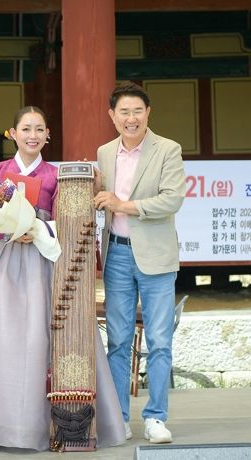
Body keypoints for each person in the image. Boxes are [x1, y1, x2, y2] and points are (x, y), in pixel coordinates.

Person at [0, 106, 125, 451]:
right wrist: (7, 230)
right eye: (26, 129)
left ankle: (42, 425)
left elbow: (69, 219)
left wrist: (38, 226)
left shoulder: (57, 175)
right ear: (13, 134)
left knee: (40, 338)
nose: (32, 135)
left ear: (48, 135)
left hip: (41, 262)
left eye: (39, 129)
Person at [93, 82, 186, 443]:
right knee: (117, 341)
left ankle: (155, 418)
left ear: (148, 113)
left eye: (137, 111)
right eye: (124, 112)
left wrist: (123, 205)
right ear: (112, 116)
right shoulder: (104, 153)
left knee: (160, 340)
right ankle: (119, 418)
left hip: (157, 257)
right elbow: (101, 199)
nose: (130, 118)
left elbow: (171, 200)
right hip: (116, 254)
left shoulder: (168, 149)